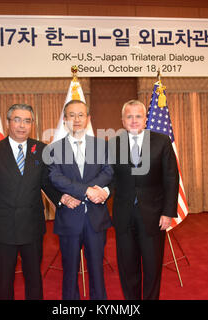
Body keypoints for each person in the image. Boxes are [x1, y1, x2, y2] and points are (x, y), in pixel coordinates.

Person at [0, 103, 63, 300]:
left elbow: (47, 184)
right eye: (17, 120)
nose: (22, 125)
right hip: (2, 227)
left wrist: (63, 199)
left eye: (27, 121)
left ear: (32, 123)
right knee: (4, 279)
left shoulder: (40, 149)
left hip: (32, 226)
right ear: (8, 122)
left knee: (34, 278)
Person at [108, 99, 179, 300]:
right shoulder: (113, 144)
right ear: (122, 120)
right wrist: (99, 191)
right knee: (127, 268)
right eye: (129, 116)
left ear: (145, 119)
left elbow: (171, 178)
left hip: (154, 216)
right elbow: (108, 176)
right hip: (124, 216)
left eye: (138, 116)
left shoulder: (161, 141)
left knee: (152, 267)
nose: (133, 120)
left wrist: (168, 212)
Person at [47, 100, 113, 300]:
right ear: (65, 119)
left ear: (88, 119)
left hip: (96, 219)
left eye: (81, 115)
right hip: (69, 219)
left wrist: (95, 191)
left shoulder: (102, 145)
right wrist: (88, 191)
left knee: (97, 270)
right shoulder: (54, 149)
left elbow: (109, 171)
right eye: (71, 115)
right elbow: (55, 177)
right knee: (69, 271)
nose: (76, 119)